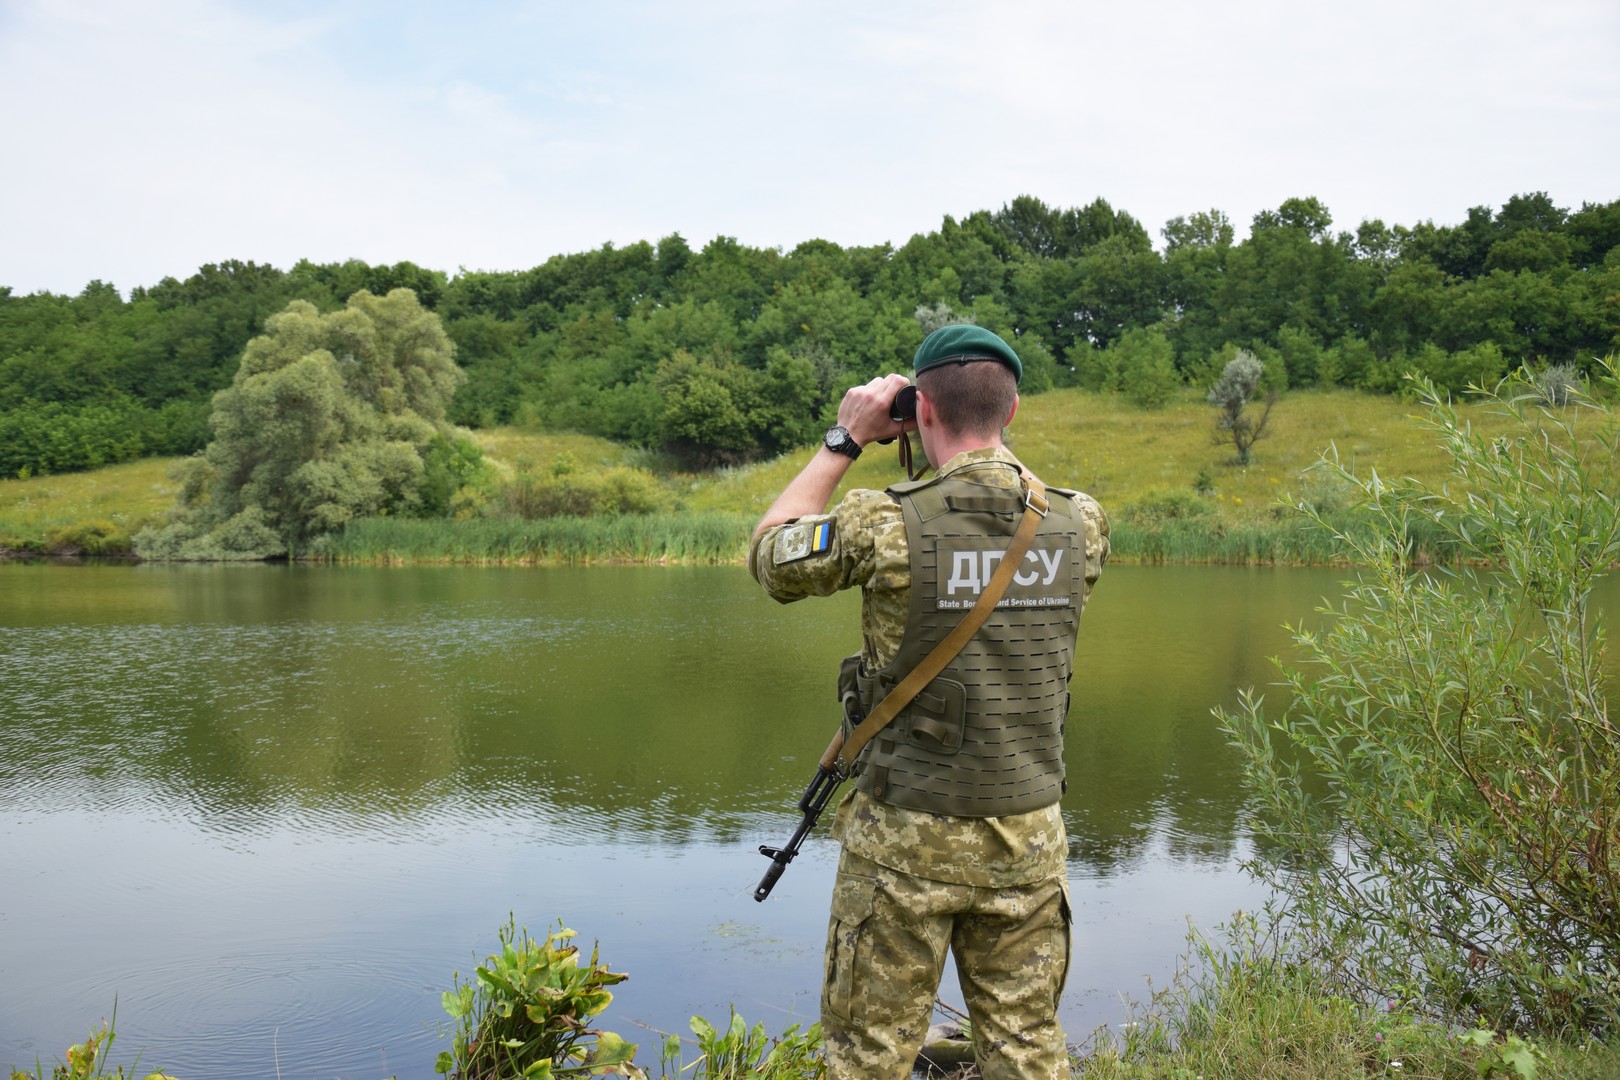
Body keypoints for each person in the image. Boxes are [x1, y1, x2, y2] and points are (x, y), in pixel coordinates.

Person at [748, 324, 1109, 1079]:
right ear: (1012, 411)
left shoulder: (883, 521)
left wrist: (844, 439)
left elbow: (772, 554)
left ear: (922, 412)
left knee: (867, 1056)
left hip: (903, 844)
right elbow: (1007, 511)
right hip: (1029, 837)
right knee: (1027, 1047)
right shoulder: (1081, 523)